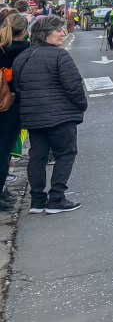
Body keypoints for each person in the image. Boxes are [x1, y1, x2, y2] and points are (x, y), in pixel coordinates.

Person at [11, 15, 87, 214]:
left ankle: (36, 200)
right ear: (45, 35)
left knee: (37, 156)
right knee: (65, 154)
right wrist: (81, 105)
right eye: (58, 31)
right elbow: (74, 86)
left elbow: (18, 87)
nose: (63, 33)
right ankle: (57, 198)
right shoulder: (60, 56)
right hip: (60, 116)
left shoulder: (22, 58)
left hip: (33, 117)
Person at [0, 14, 28, 212]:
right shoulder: (26, 51)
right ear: (25, 31)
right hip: (11, 106)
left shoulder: (2, 49)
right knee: (4, 152)